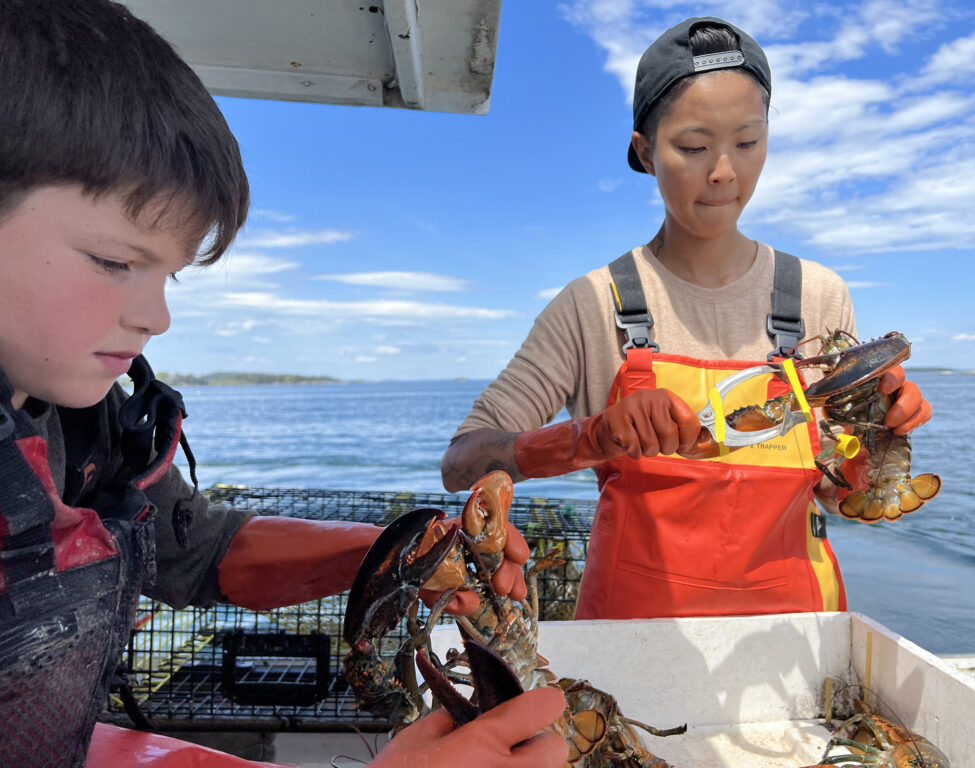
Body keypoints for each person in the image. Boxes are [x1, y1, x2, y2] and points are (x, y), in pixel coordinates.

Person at [0, 3, 569, 768]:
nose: (156, 317)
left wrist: (405, 553)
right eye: (113, 262)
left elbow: (192, 551)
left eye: (168, 274)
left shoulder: (80, 419)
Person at [442, 17, 932, 621]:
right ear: (646, 151)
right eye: (694, 147)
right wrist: (593, 435)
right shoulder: (594, 304)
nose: (724, 170)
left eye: (748, 142)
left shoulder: (818, 296)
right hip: (632, 654)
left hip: (799, 638)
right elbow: (461, 461)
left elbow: (833, 486)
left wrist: (878, 446)